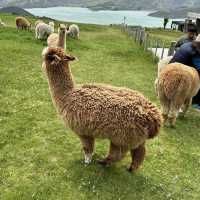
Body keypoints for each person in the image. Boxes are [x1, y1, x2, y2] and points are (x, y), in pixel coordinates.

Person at [170, 35, 200, 110]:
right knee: (197, 79)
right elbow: (198, 67)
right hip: (179, 74)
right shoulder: (195, 50)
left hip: (170, 68)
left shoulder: (187, 44)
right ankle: (196, 103)